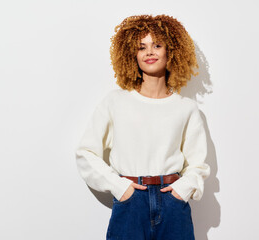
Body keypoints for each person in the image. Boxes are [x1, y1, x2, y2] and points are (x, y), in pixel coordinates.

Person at [75, 14, 210, 240]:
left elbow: (198, 163)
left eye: (157, 45)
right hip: (131, 202)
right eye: (141, 47)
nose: (149, 52)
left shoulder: (185, 108)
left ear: (171, 52)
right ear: (132, 54)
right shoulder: (115, 102)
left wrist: (182, 190)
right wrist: (120, 188)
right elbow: (85, 153)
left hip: (173, 202)